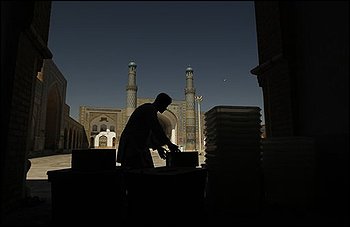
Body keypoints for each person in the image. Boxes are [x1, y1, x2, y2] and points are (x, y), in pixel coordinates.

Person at [116, 92, 180, 169]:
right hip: (132, 146)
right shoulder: (149, 110)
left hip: (138, 145)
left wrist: (158, 147)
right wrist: (170, 144)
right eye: (166, 105)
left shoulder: (148, 109)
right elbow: (157, 129)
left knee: (145, 168)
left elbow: (149, 134)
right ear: (160, 103)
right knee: (137, 172)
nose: (166, 108)